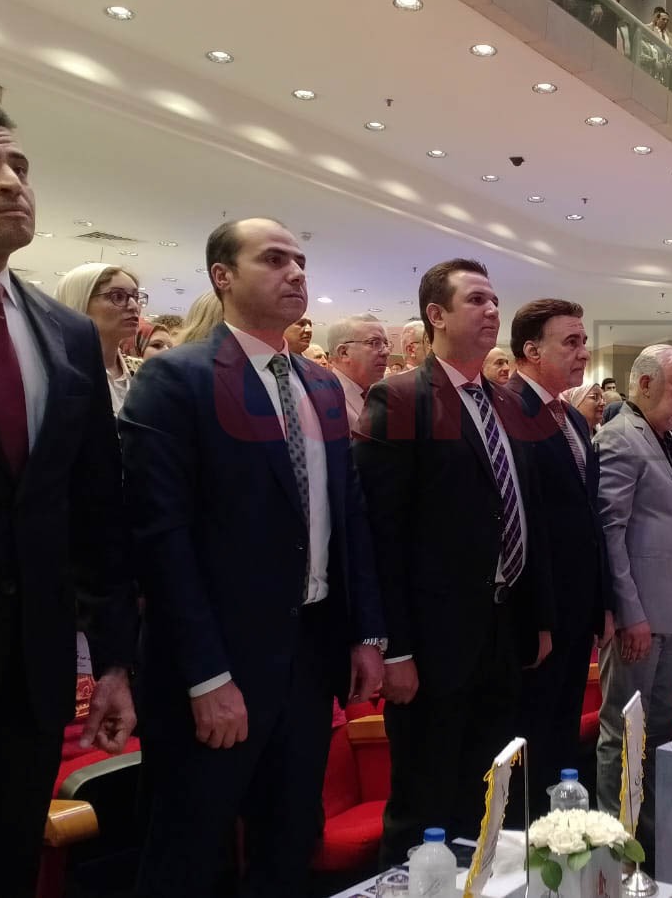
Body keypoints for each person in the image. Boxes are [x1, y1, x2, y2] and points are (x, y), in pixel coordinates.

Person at [121, 217, 386, 896]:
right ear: (223, 276)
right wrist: (206, 677)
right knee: (188, 852)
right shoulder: (176, 378)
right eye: (273, 259)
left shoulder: (320, 385)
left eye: (300, 261)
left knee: (290, 842)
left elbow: (348, 516)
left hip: (309, 653)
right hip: (217, 661)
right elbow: (162, 537)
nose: (295, 272)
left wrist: (366, 633)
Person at [0, 101, 137, 897]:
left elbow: (96, 509)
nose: (11, 181)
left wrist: (113, 657)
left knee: (3, 870)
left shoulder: (64, 332)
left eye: (18, 166)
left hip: (30, 674)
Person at [356, 259, 552, 866]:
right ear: (436, 315)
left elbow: (526, 512)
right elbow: (381, 535)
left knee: (487, 797)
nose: (492, 310)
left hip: (502, 629)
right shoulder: (401, 398)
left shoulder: (506, 403)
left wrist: (538, 617)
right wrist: (395, 649)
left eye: (494, 300)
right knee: (424, 805)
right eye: (476, 300)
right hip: (432, 642)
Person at [594, 344, 672, 860]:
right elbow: (610, 532)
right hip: (639, 619)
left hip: (671, 615)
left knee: (659, 730)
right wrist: (630, 612)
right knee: (625, 732)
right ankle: (616, 847)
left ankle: (651, 840)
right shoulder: (620, 438)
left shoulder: (670, 440)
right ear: (644, 385)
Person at [507, 299, 613, 819]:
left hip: (578, 606)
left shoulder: (571, 415)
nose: (583, 352)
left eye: (583, 341)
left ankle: (562, 834)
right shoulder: (507, 408)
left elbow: (590, 517)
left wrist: (603, 601)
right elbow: (525, 526)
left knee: (563, 733)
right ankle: (527, 840)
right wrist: (539, 616)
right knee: (532, 737)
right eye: (570, 342)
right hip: (538, 612)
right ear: (532, 350)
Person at [54, 262, 144, 414]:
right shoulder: (59, 371)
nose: (134, 306)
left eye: (136, 297)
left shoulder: (142, 370)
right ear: (79, 301)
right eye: (118, 296)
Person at [328, 313, 390, 430]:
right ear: (344, 353)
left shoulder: (379, 393)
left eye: (385, 344)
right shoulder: (326, 397)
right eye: (374, 343)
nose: (386, 352)